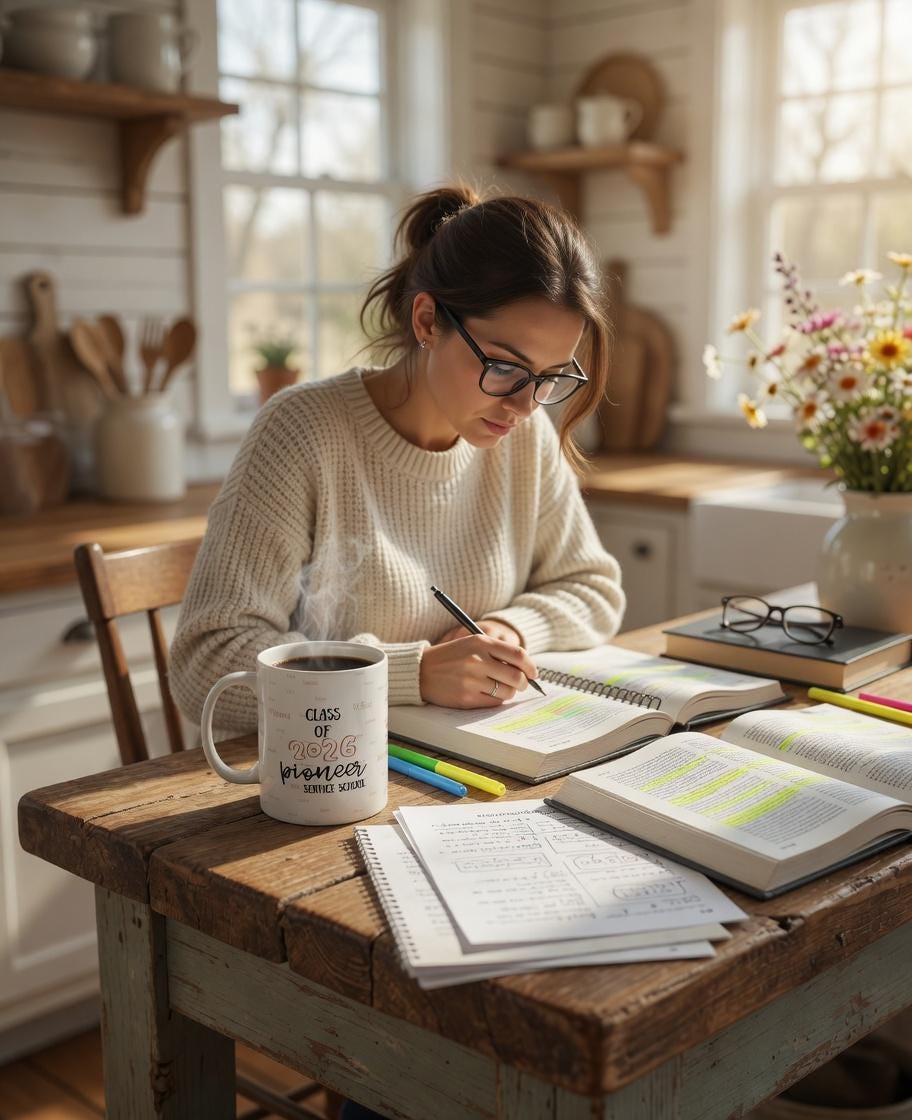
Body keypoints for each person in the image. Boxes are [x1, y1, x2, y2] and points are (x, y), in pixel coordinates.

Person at [171, 182, 625, 733]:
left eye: (551, 376)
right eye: (504, 366)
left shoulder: (521, 437)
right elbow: (208, 662)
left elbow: (594, 588)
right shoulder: (303, 430)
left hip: (453, 770)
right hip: (310, 778)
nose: (526, 405)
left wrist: (508, 631)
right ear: (428, 321)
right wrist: (410, 675)